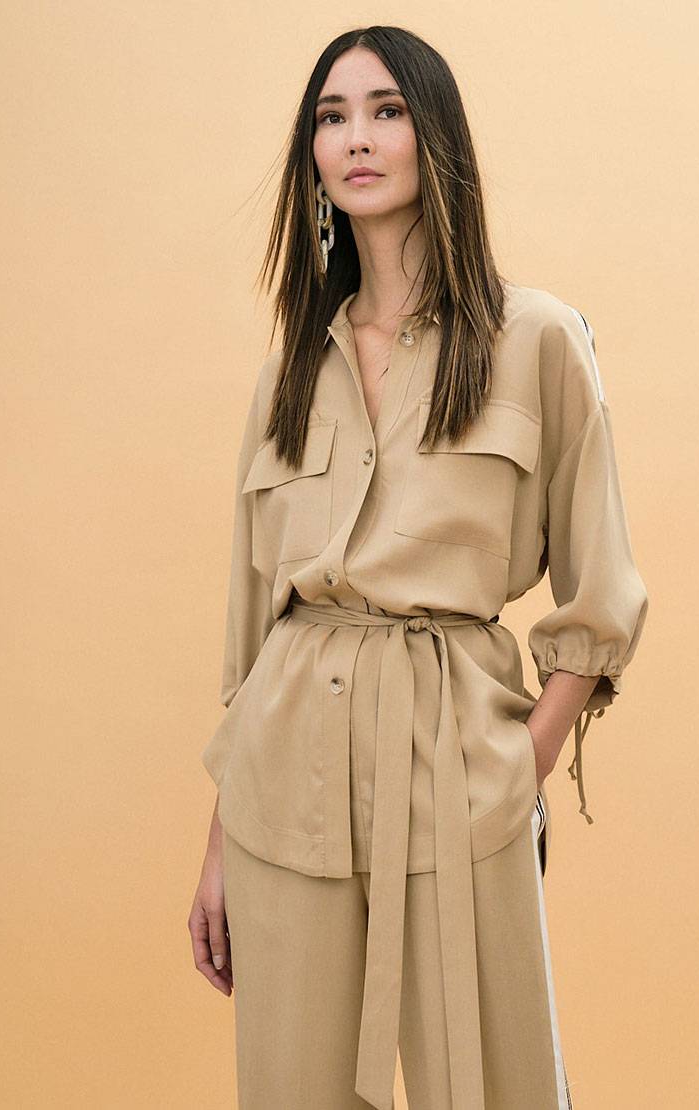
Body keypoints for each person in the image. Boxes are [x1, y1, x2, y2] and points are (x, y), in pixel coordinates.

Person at [188, 24, 648, 1110]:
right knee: (291, 1091)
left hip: (454, 760)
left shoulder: (534, 338)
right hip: (283, 779)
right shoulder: (290, 369)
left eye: (386, 109)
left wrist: (521, 763)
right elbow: (253, 630)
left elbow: (602, 585)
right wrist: (218, 840)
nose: (356, 137)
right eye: (331, 116)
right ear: (311, 155)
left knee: (494, 1086)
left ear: (434, 133)